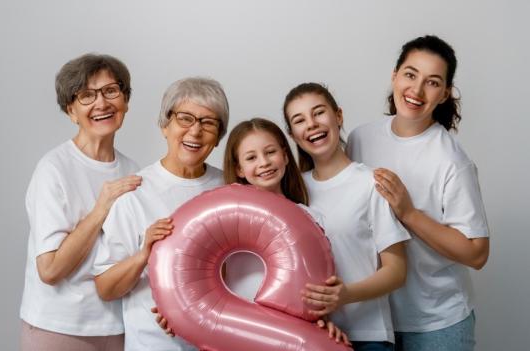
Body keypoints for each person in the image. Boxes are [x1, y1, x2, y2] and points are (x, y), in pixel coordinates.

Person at [346, 35, 490, 351]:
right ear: (394, 76)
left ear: (444, 94)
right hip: (372, 318)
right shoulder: (360, 139)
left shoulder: (451, 159)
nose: (417, 90)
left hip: (436, 324)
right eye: (411, 75)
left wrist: (409, 213)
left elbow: (477, 253)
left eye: (433, 82)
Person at [155, 117, 351, 347]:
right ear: (239, 168)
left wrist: (320, 322)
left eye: (270, 152)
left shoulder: (310, 218)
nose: (264, 163)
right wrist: (178, 312)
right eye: (251, 158)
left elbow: (314, 292)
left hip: (285, 339)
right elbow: (197, 281)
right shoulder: (220, 217)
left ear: (286, 155)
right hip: (234, 336)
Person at [92, 77, 229, 351]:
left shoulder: (230, 189)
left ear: (218, 137)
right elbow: (106, 288)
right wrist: (144, 254)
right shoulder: (134, 193)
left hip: (221, 342)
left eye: (208, 122)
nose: (195, 131)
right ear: (165, 126)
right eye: (185, 118)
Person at [19, 53, 141, 351]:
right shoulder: (54, 169)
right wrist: (102, 208)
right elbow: (49, 270)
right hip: (59, 327)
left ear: (125, 100)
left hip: (118, 326)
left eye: (111, 91)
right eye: (87, 96)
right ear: (71, 111)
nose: (102, 104)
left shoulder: (133, 171)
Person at [283, 83, 411, 351]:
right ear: (292, 135)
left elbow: (396, 270)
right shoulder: (294, 190)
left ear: (338, 116)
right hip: (311, 335)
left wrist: (345, 295)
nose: (311, 124)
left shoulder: (370, 182)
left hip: (368, 335)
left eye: (318, 113)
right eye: (299, 120)